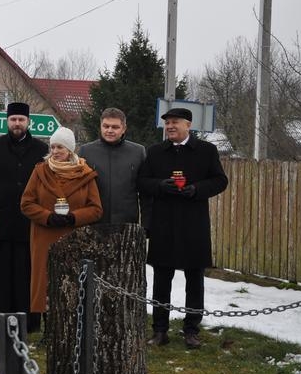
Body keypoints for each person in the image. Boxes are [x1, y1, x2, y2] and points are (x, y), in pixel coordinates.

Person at [137, 107, 228, 349]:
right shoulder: (155, 152)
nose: (170, 127)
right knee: (161, 279)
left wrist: (197, 190)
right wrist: (160, 186)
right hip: (163, 224)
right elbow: (142, 182)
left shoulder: (206, 151)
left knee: (194, 279)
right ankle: (159, 330)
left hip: (193, 224)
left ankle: (191, 331)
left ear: (189, 125)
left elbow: (220, 180)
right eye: (167, 123)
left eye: (175, 123)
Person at [20, 126, 103, 316]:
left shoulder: (85, 174)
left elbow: (96, 209)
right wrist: (47, 216)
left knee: (70, 281)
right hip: (44, 235)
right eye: (53, 147)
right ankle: (48, 326)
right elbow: (26, 203)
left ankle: (71, 324)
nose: (55, 152)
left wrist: (74, 217)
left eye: (60, 148)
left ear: (70, 150)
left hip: (73, 237)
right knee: (45, 282)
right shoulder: (40, 172)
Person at [0, 102, 48, 333]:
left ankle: (28, 322)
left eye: (21, 119)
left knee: (27, 274)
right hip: (0, 221)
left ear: (28, 122)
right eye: (13, 120)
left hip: (30, 223)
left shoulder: (41, 149)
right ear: (6, 122)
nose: (17, 123)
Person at [77, 107, 146, 224]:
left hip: (127, 222)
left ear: (124, 129)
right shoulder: (85, 151)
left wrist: (146, 222)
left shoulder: (138, 152)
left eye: (115, 127)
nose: (109, 130)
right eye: (106, 126)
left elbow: (145, 190)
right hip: (93, 221)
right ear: (100, 126)